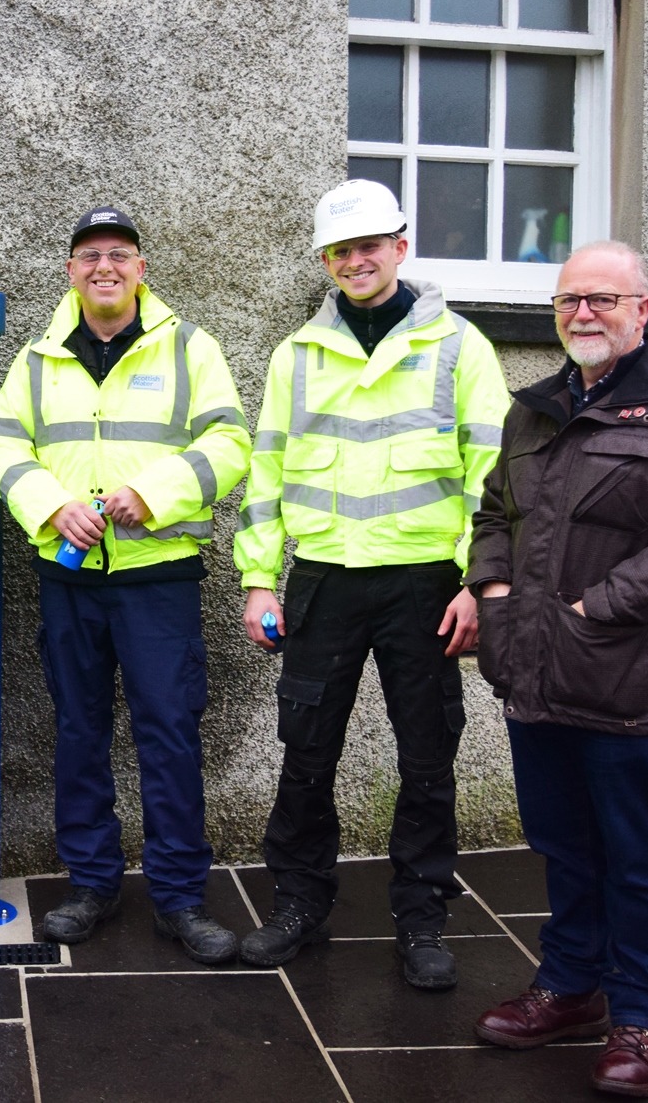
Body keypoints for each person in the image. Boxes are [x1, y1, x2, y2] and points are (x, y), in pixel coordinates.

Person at [468, 241, 648, 1098]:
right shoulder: (537, 410)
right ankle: (569, 986)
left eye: (600, 298)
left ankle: (639, 1013)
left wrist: (598, 605)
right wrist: (491, 588)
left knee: (634, 853)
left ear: (642, 307)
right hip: (534, 673)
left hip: (630, 681)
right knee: (561, 844)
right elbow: (496, 508)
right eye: (568, 301)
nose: (582, 314)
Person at [234, 179, 509, 989]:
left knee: (428, 758)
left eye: (370, 245)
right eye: (341, 250)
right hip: (321, 582)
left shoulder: (460, 346)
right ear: (327, 260)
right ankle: (299, 901)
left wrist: (476, 580)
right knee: (305, 752)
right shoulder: (298, 353)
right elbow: (267, 471)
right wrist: (258, 579)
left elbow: (492, 476)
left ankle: (422, 917)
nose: (356, 260)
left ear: (401, 245)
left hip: (425, 587)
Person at [0, 206, 253, 963]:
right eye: (90, 255)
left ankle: (179, 898)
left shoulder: (191, 348)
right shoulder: (38, 358)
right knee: (78, 731)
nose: (105, 266)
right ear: (70, 270)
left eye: (120, 254)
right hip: (69, 579)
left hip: (157, 578)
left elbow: (231, 443)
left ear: (140, 267)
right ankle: (90, 884)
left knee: (168, 734)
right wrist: (50, 505)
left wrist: (155, 491)